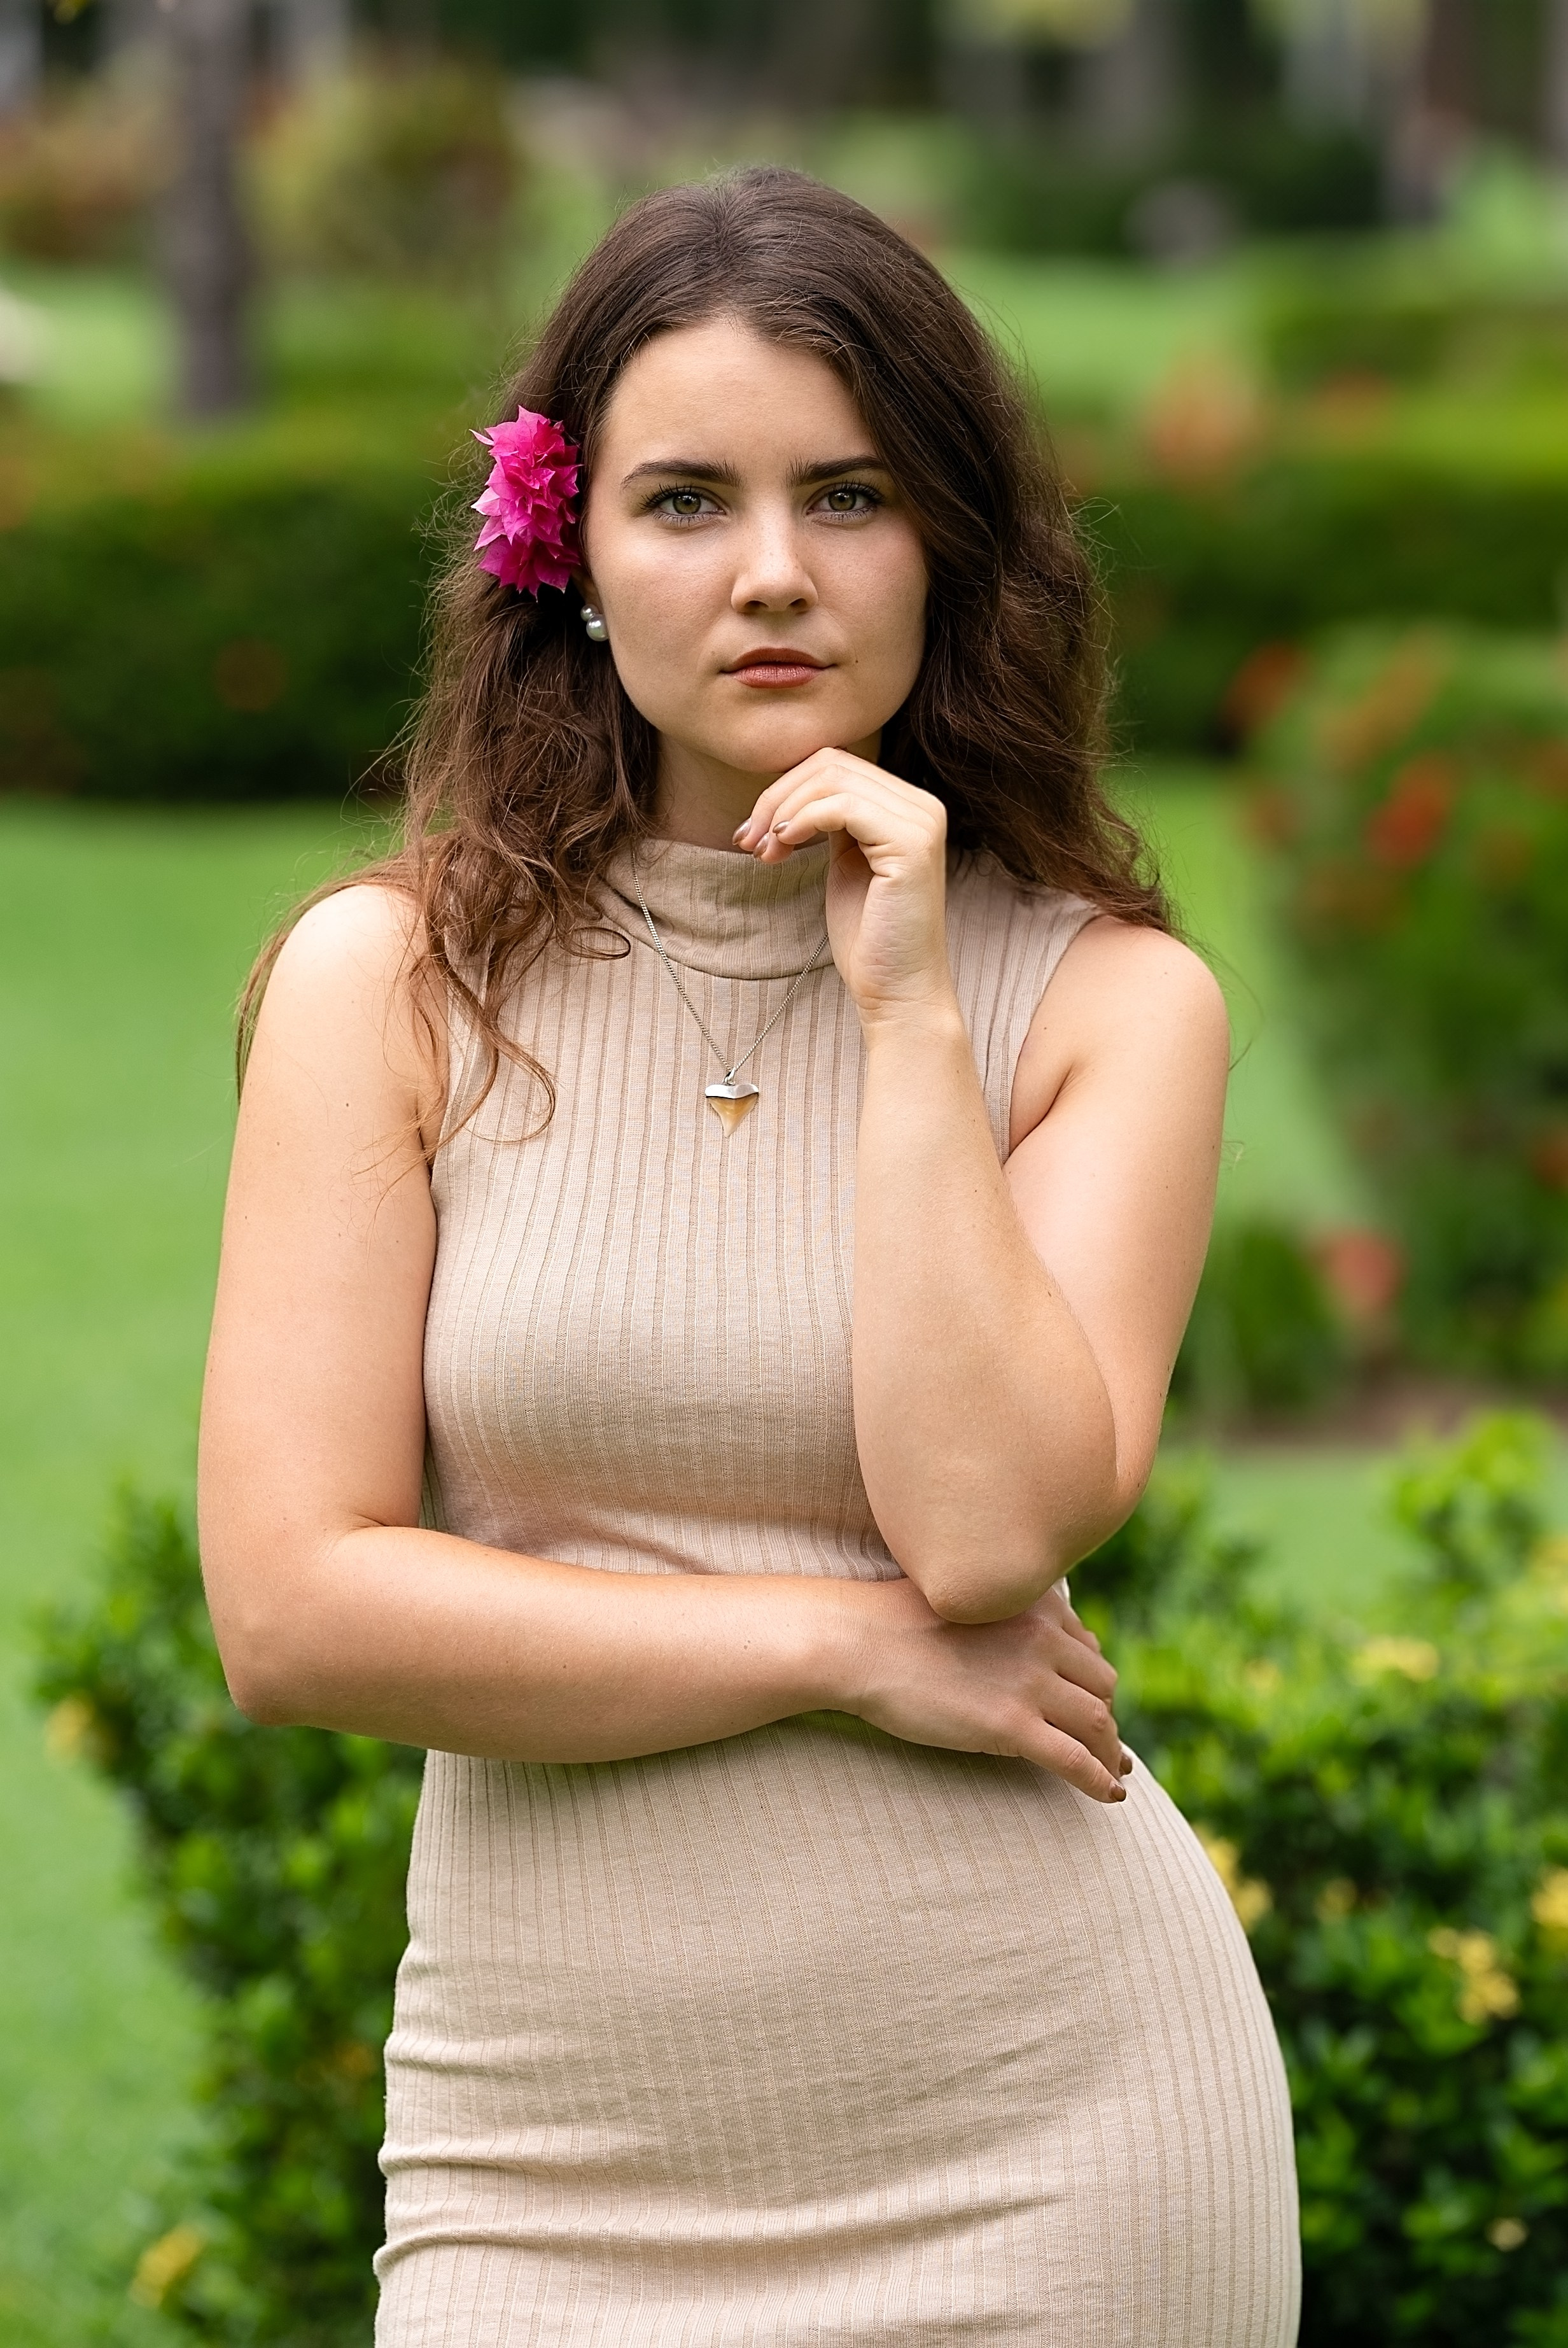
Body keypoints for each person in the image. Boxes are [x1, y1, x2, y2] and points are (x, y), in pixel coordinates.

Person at [199, 167, 1299, 2346]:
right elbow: (293, 1606)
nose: (774, 573)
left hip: (1055, 2146)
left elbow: (984, 1525)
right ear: (572, 553)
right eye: (688, 499)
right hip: (546, 2165)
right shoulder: (391, 982)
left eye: (854, 493)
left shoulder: (1106, 1006)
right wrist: (836, 1650)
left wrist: (903, 1010)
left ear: (948, 543)